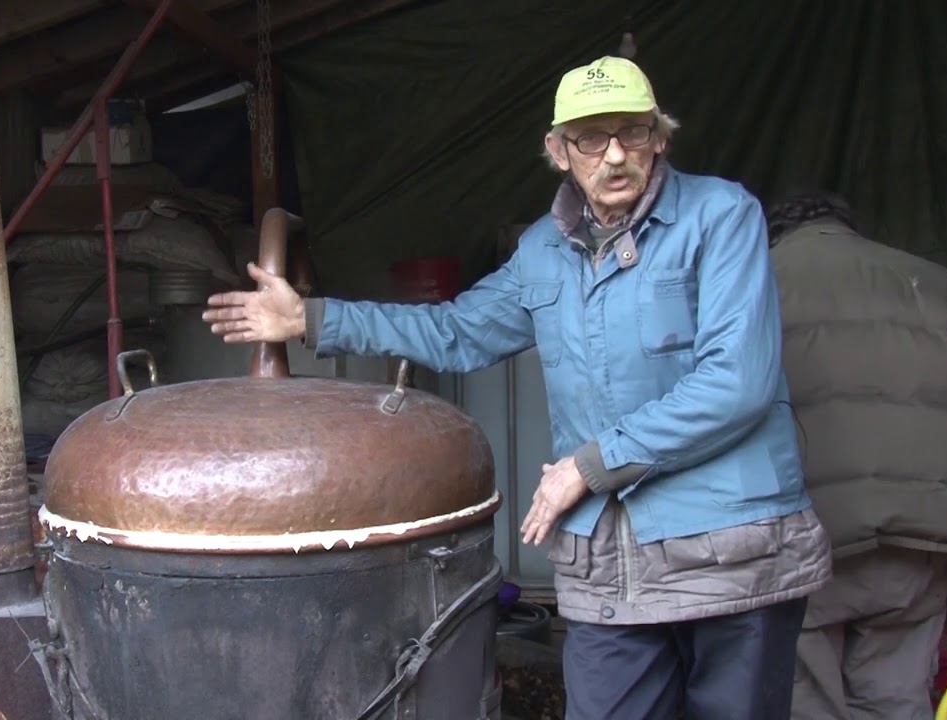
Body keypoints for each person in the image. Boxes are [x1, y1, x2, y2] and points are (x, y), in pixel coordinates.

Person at [203, 56, 832, 720]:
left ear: (661, 137)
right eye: (592, 137)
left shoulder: (721, 216)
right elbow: (457, 332)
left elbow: (738, 383)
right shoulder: (542, 253)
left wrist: (590, 467)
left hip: (731, 553)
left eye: (632, 132)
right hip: (609, 568)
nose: (614, 154)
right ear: (559, 151)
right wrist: (312, 318)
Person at [766, 192, 947, 720]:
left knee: (802, 697)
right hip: (926, 533)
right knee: (896, 698)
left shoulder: (748, 286)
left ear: (772, 237)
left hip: (801, 531)